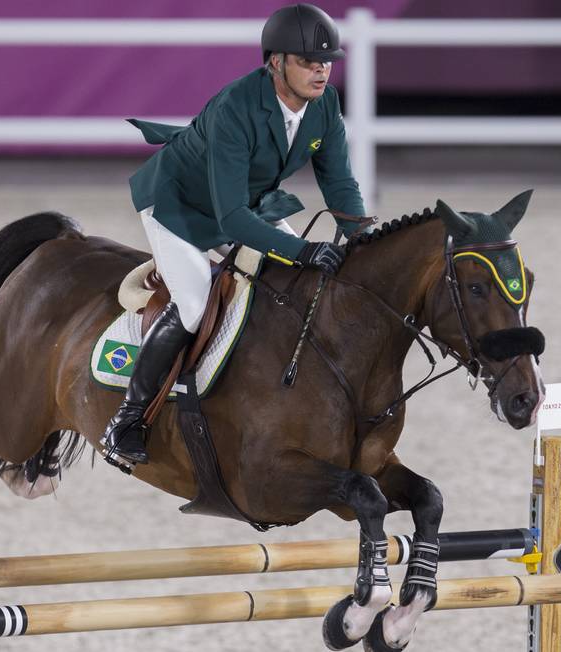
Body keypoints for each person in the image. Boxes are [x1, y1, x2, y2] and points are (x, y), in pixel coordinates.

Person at [103, 3, 368, 470]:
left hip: (244, 203)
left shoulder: (324, 105)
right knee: (193, 303)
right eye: (308, 60)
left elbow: (340, 182)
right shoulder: (235, 108)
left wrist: (360, 237)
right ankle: (126, 420)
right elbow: (232, 222)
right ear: (275, 62)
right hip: (179, 205)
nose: (321, 70)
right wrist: (304, 250)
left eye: (326, 61)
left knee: (290, 286)